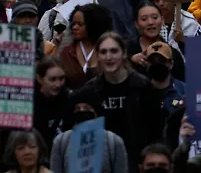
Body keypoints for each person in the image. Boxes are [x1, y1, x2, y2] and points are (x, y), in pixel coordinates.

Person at [70, 32, 163, 164]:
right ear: (98, 56)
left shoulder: (143, 87)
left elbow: (156, 130)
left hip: (137, 162)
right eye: (103, 52)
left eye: (114, 51)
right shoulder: (87, 93)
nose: (109, 57)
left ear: (124, 53)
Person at [130, 4, 186, 81]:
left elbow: (181, 86)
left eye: (155, 17)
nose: (150, 22)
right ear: (136, 24)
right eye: (144, 19)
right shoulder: (127, 50)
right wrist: (130, 61)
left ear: (162, 20)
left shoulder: (173, 54)